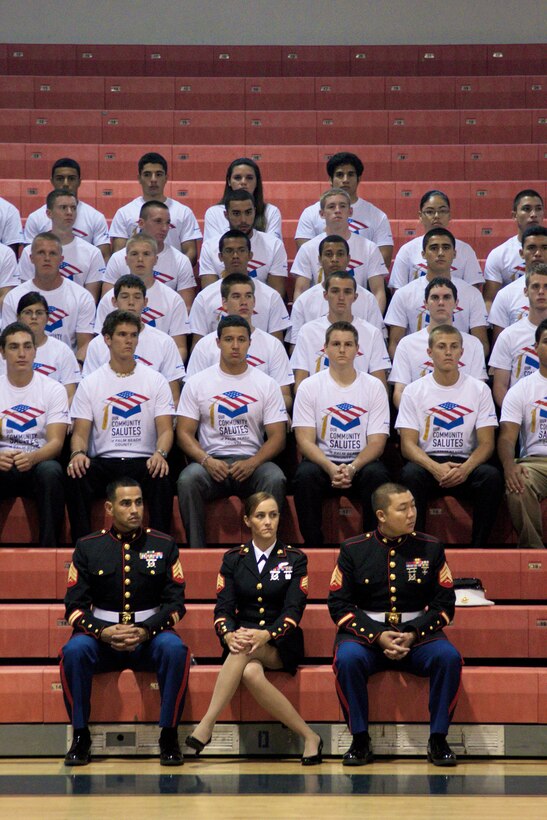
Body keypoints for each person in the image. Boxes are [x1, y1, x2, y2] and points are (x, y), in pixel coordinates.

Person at [328, 482, 462, 766]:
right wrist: (377, 636)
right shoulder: (353, 549)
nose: (412, 513)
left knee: (449, 658)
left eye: (413, 505)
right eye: (403, 508)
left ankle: (438, 739)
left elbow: (444, 604)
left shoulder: (431, 547)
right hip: (368, 638)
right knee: (347, 658)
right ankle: (359, 739)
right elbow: (339, 605)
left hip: (418, 635)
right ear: (381, 515)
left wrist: (413, 634)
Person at [60, 477, 190, 766]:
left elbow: (176, 605)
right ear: (109, 507)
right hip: (102, 640)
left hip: (150, 638)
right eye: (126, 503)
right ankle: (80, 736)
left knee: (176, 650)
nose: (135, 509)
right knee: (73, 651)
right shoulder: (88, 547)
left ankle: (169, 735)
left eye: (139, 502)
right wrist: (104, 632)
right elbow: (74, 608)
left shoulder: (164, 545)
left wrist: (146, 631)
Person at [185, 492, 322, 765]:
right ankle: (310, 736)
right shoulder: (234, 559)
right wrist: (227, 634)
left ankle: (207, 724)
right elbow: (223, 609)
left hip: (281, 642)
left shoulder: (294, 558)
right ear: (247, 520)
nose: (268, 522)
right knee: (249, 671)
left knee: (244, 650)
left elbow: (294, 610)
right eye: (260, 516)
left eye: (273, 515)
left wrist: (267, 634)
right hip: (243, 641)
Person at [176, 315, 287, 550]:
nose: (235, 346)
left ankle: (270, 550)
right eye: (228, 339)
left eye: (241, 340)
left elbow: (278, 436)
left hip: (252, 463)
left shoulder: (266, 384)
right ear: (217, 343)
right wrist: (206, 461)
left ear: (249, 342)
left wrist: (253, 462)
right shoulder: (198, 383)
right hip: (212, 464)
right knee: (188, 479)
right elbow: (184, 433)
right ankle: (197, 552)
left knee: (275, 477)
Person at [66, 310, 175, 541]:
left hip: (144, 461)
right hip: (105, 462)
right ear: (107, 339)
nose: (129, 341)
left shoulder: (155, 380)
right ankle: (82, 546)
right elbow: (80, 433)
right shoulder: (91, 383)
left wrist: (160, 453)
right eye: (122, 334)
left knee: (162, 473)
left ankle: (162, 547)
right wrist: (77, 453)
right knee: (77, 473)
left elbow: (165, 429)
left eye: (134, 335)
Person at [396, 324, 503, 547]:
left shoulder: (479, 389)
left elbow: (486, 444)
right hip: (428, 463)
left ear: (461, 353)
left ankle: (479, 547)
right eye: (442, 346)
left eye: (454, 347)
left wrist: (465, 469)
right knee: (410, 474)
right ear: (429, 352)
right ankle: (415, 547)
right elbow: (407, 445)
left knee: (491, 477)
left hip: (465, 463)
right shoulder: (414, 391)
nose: (448, 352)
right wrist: (435, 468)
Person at [292, 321, 391, 547]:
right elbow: (304, 441)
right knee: (305, 475)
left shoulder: (374, 386)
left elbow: (377, 442)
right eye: (336, 344)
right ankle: (313, 546)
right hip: (322, 463)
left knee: (377, 475)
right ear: (325, 349)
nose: (342, 349)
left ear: (358, 349)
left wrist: (353, 467)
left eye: (348, 344)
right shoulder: (309, 386)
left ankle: (372, 546)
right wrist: (330, 467)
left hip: (361, 463)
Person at [0, 321, 69, 547]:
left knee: (52, 471)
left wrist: (32, 458)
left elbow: (57, 442)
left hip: (36, 464)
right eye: (14, 347)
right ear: (2, 352)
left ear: (35, 351)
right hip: (3, 464)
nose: (22, 353)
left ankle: (49, 549)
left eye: (27, 347)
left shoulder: (53, 389)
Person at [186, 273, 293, 412]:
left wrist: (256, 409)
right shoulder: (204, 346)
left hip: (262, 421)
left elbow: (285, 396)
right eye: (236, 296)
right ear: (224, 303)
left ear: (254, 301)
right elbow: (191, 394)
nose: (244, 302)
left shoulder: (273, 345)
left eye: (248, 296)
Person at [385, 227, 489, 360]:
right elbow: (394, 343)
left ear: (454, 253)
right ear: (423, 254)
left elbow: (482, 343)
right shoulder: (403, 294)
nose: (440, 253)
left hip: (459, 364)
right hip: (417, 365)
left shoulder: (472, 294)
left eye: (446, 248)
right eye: (434, 248)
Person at [83, 275, 184, 405]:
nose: (131, 302)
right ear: (114, 301)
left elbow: (174, 397)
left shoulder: (164, 342)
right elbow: (89, 392)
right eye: (125, 297)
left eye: (137, 297)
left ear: (145, 302)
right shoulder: (96, 345)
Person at [389, 277, 487, 409]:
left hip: (463, 417)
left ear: (456, 303)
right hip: (419, 418)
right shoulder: (407, 344)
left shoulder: (473, 344)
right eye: (435, 298)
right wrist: (414, 420)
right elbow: (400, 392)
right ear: (425, 304)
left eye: (447, 297)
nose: (441, 302)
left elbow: (479, 392)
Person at [2, 232, 96, 362]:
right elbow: (8, 342)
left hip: (65, 369)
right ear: (31, 258)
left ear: (61, 259)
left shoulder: (82, 297)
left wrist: (73, 369)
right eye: (41, 253)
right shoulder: (14, 297)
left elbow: (85, 344)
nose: (47, 258)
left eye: (52, 253)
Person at [94, 234, 189, 361]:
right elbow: (100, 344)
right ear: (126, 259)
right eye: (134, 254)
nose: (140, 259)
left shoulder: (174, 300)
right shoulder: (108, 299)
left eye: (146, 254)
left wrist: (165, 374)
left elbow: (180, 347)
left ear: (156, 259)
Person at [290, 271, 390, 392]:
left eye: (347, 292)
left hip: (360, 400)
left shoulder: (372, 333)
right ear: (325, 295)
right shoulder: (307, 331)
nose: (341, 297)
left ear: (355, 297)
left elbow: (380, 385)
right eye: (335, 291)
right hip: (318, 399)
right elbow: (300, 383)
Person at [291, 188, 387, 312]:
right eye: (331, 207)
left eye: (342, 206)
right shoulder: (307, 248)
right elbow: (300, 291)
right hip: (318, 313)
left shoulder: (369, 248)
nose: (337, 211)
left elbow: (378, 291)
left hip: (358, 310)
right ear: (321, 213)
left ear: (350, 211)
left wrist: (374, 322)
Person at [189, 231, 290, 345]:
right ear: (220, 257)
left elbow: (277, 345)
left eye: (241, 250)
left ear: (250, 255)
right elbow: (198, 346)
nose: (235, 255)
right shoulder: (204, 297)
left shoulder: (271, 296)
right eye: (229, 251)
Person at [295, 151, 393, 267]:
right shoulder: (310, 213)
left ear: (359, 179)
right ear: (330, 179)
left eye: (351, 174)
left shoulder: (378, 216)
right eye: (340, 175)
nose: (345, 179)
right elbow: (305, 255)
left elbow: (383, 259)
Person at [286, 234, 384, 350]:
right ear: (319, 259)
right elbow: (295, 348)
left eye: (340, 254)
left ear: (348, 259)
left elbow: (377, 346)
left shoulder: (368, 299)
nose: (334, 259)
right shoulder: (304, 300)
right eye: (328, 254)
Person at [498, 317, 547, 548]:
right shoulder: (521, 389)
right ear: (535, 348)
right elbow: (507, 437)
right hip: (537, 463)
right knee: (519, 482)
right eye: (546, 341)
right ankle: (535, 554)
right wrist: (509, 466)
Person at [101, 200, 196, 313]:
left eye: (168, 223)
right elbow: (107, 305)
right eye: (158, 221)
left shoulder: (181, 261)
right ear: (141, 223)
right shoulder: (118, 259)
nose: (165, 228)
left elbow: (186, 309)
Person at [109, 152, 201, 265]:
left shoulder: (183, 212)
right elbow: (118, 252)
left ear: (166, 178)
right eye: (147, 174)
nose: (153, 179)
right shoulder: (124, 213)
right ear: (139, 178)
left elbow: (190, 252)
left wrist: (174, 271)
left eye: (158, 174)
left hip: (171, 277)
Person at [19, 189, 105, 302]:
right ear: (49, 213)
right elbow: (25, 296)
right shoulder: (29, 252)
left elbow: (90, 300)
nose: (69, 212)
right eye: (63, 207)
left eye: (73, 208)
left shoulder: (92, 253)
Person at [389, 189, 483, 291]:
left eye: (442, 211)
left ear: (449, 215)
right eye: (430, 212)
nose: (437, 216)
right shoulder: (407, 250)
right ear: (420, 216)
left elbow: (473, 292)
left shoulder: (465, 250)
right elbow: (398, 293)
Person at [199, 189, 288, 297]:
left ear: (255, 212)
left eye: (248, 212)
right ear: (226, 215)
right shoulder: (209, 247)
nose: (243, 220)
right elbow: (210, 297)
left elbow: (276, 297)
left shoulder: (274, 245)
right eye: (236, 213)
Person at [23, 157, 110, 262]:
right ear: (52, 181)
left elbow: (104, 257)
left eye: (71, 178)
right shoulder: (35, 218)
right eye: (60, 178)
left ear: (79, 181)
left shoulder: (95, 217)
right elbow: (29, 258)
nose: (65, 183)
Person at [490, 263, 547, 409]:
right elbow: (500, 387)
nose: (541, 291)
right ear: (526, 291)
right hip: (519, 416)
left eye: (546, 286)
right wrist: (515, 418)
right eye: (535, 286)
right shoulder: (508, 336)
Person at [8, 292, 81, 404]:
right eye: (28, 312)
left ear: (48, 318)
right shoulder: (6, 351)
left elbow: (70, 394)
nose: (33, 317)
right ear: (18, 317)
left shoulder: (63, 351)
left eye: (39, 313)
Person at [483, 189, 544, 312]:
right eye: (527, 209)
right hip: (514, 317)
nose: (533, 214)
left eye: (538, 209)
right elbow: (490, 301)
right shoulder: (499, 254)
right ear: (514, 215)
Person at [488, 226, 547, 341]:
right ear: (521, 253)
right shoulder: (505, 295)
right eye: (531, 248)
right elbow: (499, 345)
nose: (538, 253)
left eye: (545, 248)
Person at [203, 156, 282, 241]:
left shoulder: (271, 212)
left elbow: (273, 247)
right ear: (229, 181)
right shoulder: (214, 213)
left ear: (256, 182)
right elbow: (212, 248)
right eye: (237, 178)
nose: (243, 182)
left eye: (249, 178)